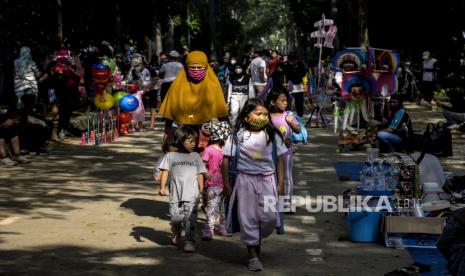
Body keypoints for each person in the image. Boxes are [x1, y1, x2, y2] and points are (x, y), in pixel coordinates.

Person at [222, 98, 286, 271]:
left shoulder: (272, 135)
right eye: (258, 113)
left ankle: (256, 243)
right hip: (245, 181)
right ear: (246, 115)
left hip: (268, 180)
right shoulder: (237, 135)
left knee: (269, 217)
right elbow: (226, 160)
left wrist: (280, 183)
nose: (262, 117)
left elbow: (281, 159)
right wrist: (227, 184)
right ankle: (253, 256)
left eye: (265, 114)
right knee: (248, 217)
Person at [158, 50, 228, 150]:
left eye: (199, 67)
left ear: (206, 67)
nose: (196, 70)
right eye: (192, 67)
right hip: (182, 135)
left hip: (205, 136)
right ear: (186, 67)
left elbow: (222, 113)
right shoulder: (177, 85)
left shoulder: (213, 84)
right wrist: (167, 136)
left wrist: (226, 136)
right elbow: (170, 114)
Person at [158, 127, 207, 252]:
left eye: (194, 141)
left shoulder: (196, 156)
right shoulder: (170, 156)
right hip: (176, 195)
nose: (193, 144)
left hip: (192, 195)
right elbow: (165, 172)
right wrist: (162, 187)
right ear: (180, 140)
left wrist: (201, 188)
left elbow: (200, 173)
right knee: (175, 218)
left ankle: (190, 241)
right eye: (190, 141)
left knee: (191, 220)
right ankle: (176, 232)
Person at [267, 88, 301, 218]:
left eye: (286, 100)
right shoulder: (267, 116)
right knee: (272, 176)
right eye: (282, 100)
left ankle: (288, 202)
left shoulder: (288, 115)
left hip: (286, 152)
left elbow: (298, 130)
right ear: (272, 102)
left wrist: (291, 123)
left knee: (287, 177)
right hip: (270, 152)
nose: (285, 103)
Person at [201, 121, 232, 240]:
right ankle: (208, 229)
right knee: (212, 207)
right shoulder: (209, 149)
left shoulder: (228, 150)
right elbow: (202, 164)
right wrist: (205, 174)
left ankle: (223, 227)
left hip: (226, 184)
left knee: (224, 208)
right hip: (213, 184)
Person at [127, 56, 151, 131]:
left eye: (138, 65)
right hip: (134, 91)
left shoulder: (146, 71)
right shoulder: (132, 71)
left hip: (143, 90)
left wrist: (143, 86)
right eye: (135, 65)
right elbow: (129, 80)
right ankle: (135, 126)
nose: (136, 67)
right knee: (134, 109)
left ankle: (139, 125)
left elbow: (148, 81)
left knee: (141, 108)